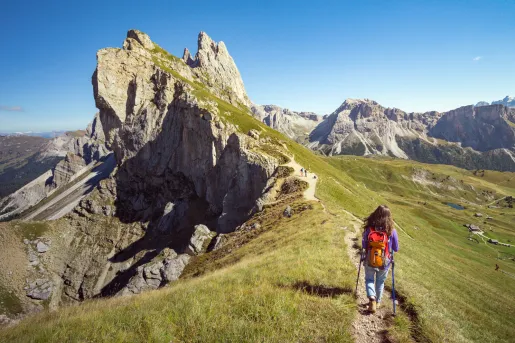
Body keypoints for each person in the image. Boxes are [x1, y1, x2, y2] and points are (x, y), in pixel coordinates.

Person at [361, 205, 399, 313]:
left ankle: (371, 298)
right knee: (380, 282)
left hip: (370, 258)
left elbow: (364, 245)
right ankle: (377, 302)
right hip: (385, 260)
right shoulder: (391, 231)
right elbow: (396, 248)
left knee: (369, 279)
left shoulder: (370, 229)